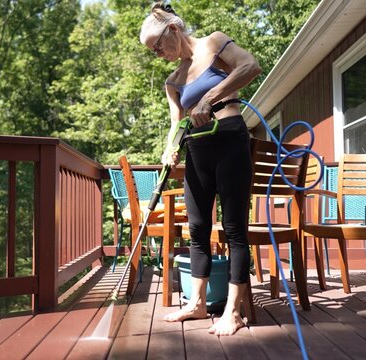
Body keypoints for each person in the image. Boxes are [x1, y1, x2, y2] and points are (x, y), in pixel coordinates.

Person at [139, 2, 261, 336]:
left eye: (158, 46)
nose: (158, 54)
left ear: (174, 31)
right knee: (197, 228)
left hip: (230, 141)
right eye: (153, 51)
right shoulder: (173, 81)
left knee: (234, 227)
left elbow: (251, 65)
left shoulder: (213, 43)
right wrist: (170, 147)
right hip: (197, 150)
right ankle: (196, 304)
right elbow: (176, 123)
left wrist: (211, 97)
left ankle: (233, 312)